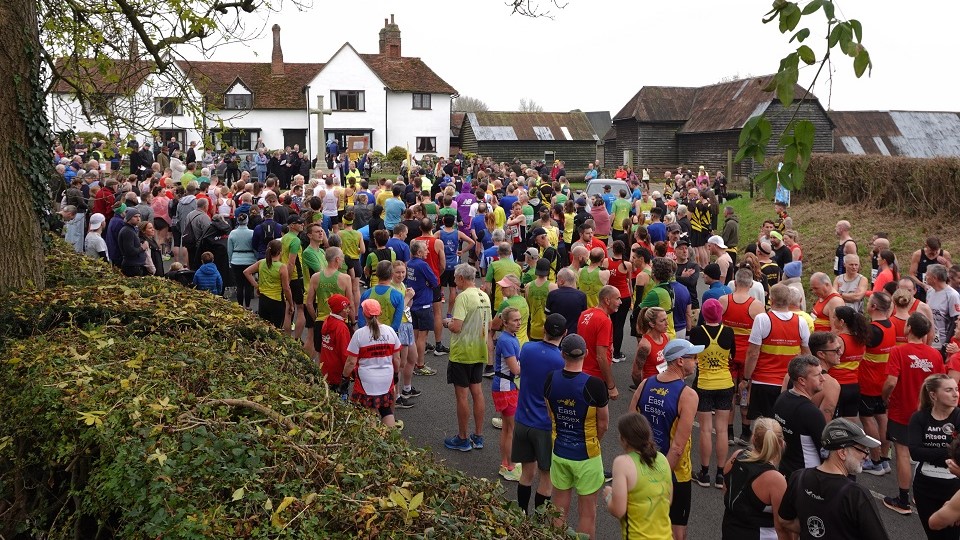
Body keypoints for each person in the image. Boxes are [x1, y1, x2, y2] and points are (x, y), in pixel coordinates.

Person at [630, 338, 701, 540]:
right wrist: (660, 477)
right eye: (693, 357)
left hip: (643, 466)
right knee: (676, 530)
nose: (696, 361)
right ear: (680, 361)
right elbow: (677, 447)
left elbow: (630, 427)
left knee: (645, 526)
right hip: (674, 473)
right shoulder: (688, 395)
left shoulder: (645, 384)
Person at [779, 418, 889, 540]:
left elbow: (784, 521)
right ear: (842, 452)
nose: (866, 456)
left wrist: (813, 531)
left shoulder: (798, 477)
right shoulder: (856, 495)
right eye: (862, 449)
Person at [545, 333, 610, 539]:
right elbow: (604, 424)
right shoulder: (595, 385)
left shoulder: (551, 378)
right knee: (587, 514)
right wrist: (593, 441)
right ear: (587, 353)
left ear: (562, 354)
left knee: (558, 509)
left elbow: (550, 414)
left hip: (559, 451)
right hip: (587, 455)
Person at [882, 313, 945, 515]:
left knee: (902, 453)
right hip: (927, 411)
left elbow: (891, 382)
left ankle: (903, 500)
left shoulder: (898, 351)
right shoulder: (935, 354)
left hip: (902, 410)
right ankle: (921, 494)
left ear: (908, 328)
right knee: (924, 453)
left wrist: (884, 397)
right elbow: (940, 383)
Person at [513, 313, 568, 515]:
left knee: (526, 474)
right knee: (546, 477)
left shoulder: (527, 349)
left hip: (522, 420)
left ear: (544, 329)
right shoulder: (561, 361)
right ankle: (538, 522)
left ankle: (521, 515)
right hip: (544, 425)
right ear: (565, 333)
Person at [743, 284, 811, 426]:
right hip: (790, 383)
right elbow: (806, 355)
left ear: (771, 300)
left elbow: (753, 353)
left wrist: (746, 378)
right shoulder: (801, 322)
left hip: (763, 381)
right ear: (790, 300)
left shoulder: (762, 319)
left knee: (764, 426)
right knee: (786, 425)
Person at [443, 264, 492, 452]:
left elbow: (456, 327)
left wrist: (447, 323)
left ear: (462, 278)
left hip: (462, 352)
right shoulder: (483, 295)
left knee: (462, 396)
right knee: (477, 392)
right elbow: (488, 325)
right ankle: (478, 436)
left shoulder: (463, 297)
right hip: (480, 349)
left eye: (456, 278)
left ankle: (462, 438)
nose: (454, 281)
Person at [603, 413, 672, 540]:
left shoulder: (622, 463)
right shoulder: (662, 459)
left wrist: (608, 496)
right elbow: (668, 499)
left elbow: (618, 510)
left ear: (624, 439)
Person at [908, 374, 960, 539]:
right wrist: (950, 451)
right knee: (934, 534)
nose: (956, 394)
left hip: (954, 486)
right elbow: (915, 452)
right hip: (925, 486)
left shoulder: (959, 416)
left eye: (956, 389)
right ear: (933, 395)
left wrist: (929, 453)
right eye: (949, 390)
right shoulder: (919, 417)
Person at [690, 299, 735, 489]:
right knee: (722, 430)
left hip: (705, 383)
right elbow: (732, 355)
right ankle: (721, 474)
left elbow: (693, 356)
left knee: (706, 430)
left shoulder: (697, 332)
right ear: (720, 314)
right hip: (725, 382)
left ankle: (705, 472)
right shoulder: (729, 331)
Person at [721, 417, 790, 539]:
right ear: (780, 444)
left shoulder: (737, 456)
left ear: (753, 438)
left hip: (729, 530)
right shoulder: (775, 479)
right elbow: (781, 526)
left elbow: (726, 489)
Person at [342, 299, 403, 429]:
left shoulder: (359, 334)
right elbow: (397, 358)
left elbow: (351, 361)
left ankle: (373, 438)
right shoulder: (390, 331)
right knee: (386, 410)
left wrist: (344, 377)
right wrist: (396, 374)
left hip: (366, 380)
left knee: (370, 411)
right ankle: (391, 437)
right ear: (380, 313)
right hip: (386, 378)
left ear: (364, 314)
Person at [860, 292, 897, 475]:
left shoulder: (872, 329)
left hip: (868, 382)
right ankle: (883, 459)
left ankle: (875, 462)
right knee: (882, 418)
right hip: (883, 381)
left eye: (869, 303)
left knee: (867, 419)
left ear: (873, 307)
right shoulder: (891, 325)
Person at [773, 355, 826, 478]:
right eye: (817, 375)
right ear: (802, 380)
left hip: (785, 471)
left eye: (822, 373)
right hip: (807, 478)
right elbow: (825, 450)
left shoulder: (782, 398)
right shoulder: (811, 412)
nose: (823, 378)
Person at [492, 306, 522, 482]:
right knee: (511, 428)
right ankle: (510, 466)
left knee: (506, 427)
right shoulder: (506, 341)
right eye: (515, 320)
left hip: (505, 385)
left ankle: (506, 463)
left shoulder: (510, 337)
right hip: (505, 387)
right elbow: (516, 369)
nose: (518, 323)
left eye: (519, 319)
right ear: (505, 322)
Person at [578, 285, 621, 401]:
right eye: (617, 298)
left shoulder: (584, 314)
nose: (620, 302)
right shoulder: (604, 320)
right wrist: (611, 386)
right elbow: (601, 357)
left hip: (581, 371)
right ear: (607, 300)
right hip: (596, 376)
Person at [243, 239, 293, 329]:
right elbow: (286, 288)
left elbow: (246, 272)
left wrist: (257, 286)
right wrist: (291, 304)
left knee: (265, 328)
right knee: (277, 329)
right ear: (280, 252)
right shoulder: (282, 267)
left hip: (263, 300)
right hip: (277, 301)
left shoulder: (261, 262)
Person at [317, 294, 351, 390]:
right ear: (338, 310)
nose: (348, 310)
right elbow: (345, 353)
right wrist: (349, 372)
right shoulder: (341, 327)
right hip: (337, 371)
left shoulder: (327, 321)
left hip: (326, 367)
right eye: (345, 308)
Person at [924, 264, 960, 356]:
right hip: (930, 337)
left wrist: (946, 343)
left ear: (934, 278)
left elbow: (955, 321)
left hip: (943, 340)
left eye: (927, 275)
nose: (925, 277)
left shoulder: (952, 295)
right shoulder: (930, 291)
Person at [545, 268, 587, 337]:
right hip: (574, 335)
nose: (556, 282)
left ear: (562, 281)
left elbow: (548, 317)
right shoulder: (582, 296)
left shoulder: (552, 295)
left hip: (556, 335)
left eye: (557, 280)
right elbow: (583, 318)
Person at [227, 213, 256, 308]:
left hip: (236, 260)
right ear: (247, 221)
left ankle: (240, 306)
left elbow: (229, 249)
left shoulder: (232, 233)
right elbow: (254, 247)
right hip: (250, 260)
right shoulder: (252, 233)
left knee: (239, 285)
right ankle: (247, 306)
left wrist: (230, 260)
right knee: (248, 285)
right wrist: (256, 258)